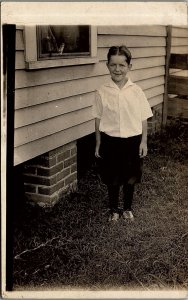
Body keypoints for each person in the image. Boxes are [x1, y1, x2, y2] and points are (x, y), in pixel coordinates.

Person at [92, 45, 153, 222]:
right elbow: (97, 118)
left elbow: (143, 117)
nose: (117, 69)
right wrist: (98, 142)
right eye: (113, 65)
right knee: (113, 176)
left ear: (129, 67)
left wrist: (143, 142)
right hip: (110, 141)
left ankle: (127, 208)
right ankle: (114, 209)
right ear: (107, 65)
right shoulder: (102, 91)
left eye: (122, 65)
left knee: (130, 176)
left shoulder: (136, 91)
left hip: (132, 141)